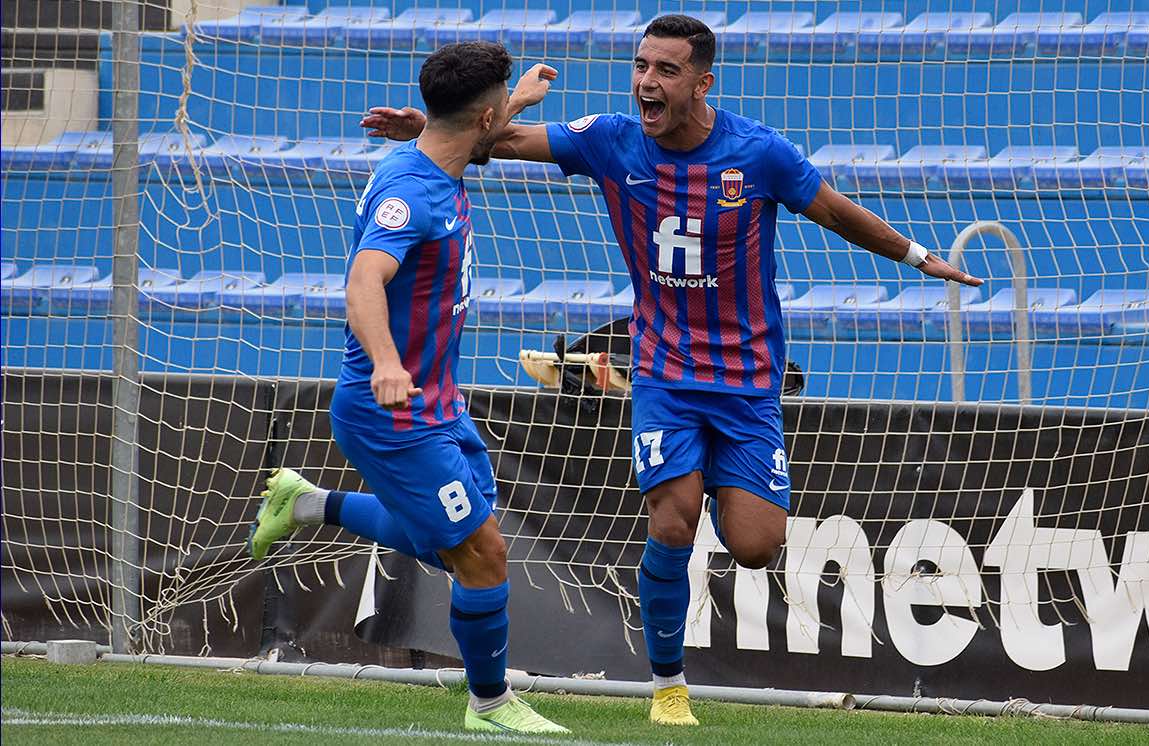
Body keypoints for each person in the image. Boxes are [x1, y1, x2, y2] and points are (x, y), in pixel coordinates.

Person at [362, 15, 983, 726]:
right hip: (661, 373)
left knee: (756, 546)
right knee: (674, 523)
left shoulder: (757, 153)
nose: (645, 83)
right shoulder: (610, 141)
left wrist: (917, 257)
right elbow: (497, 140)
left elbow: (834, 212)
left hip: (748, 381)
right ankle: (668, 687)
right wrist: (432, 129)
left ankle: (723, 481)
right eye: (640, 66)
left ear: (701, 82)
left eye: (665, 71)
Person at [247, 41, 568, 735]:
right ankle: (489, 703)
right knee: (481, 552)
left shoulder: (428, 153)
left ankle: (307, 502)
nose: (504, 115)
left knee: (442, 542)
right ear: (485, 117)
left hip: (435, 400)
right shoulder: (409, 195)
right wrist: (387, 361)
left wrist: (517, 103)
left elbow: (467, 134)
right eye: (503, 105)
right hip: (389, 407)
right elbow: (365, 280)